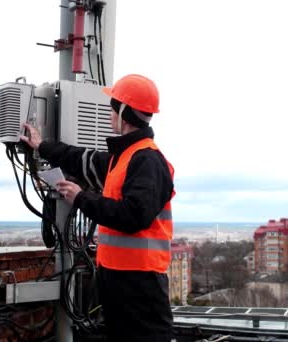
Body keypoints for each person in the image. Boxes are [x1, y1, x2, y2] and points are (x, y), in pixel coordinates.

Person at [20, 74, 175, 342]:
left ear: (125, 113)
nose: (109, 114)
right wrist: (41, 146)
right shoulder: (123, 156)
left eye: (113, 107)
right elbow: (81, 159)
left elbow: (132, 215)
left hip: (140, 285)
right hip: (119, 281)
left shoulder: (148, 160)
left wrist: (81, 198)